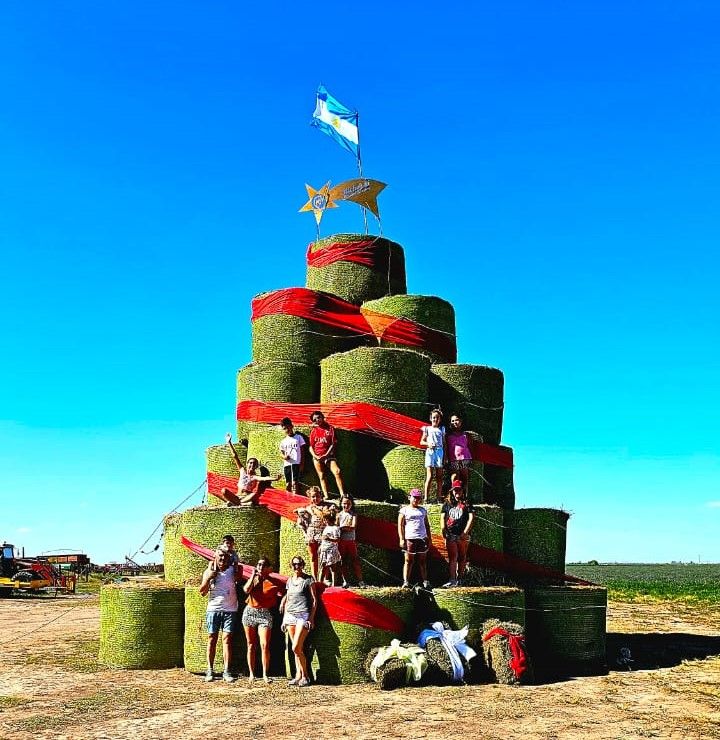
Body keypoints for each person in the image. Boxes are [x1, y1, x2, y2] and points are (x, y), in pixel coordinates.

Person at [199, 547, 241, 682]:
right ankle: (210, 670)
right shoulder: (209, 572)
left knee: (227, 639)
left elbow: (239, 571)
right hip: (213, 609)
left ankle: (227, 671)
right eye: (220, 556)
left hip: (230, 610)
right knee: (212, 638)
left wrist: (235, 562)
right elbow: (202, 592)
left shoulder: (232, 571)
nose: (222, 559)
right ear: (215, 557)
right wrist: (209, 578)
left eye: (225, 556)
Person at [242, 556, 283, 684]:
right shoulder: (253, 579)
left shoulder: (273, 582)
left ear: (268, 568)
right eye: (258, 565)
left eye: (263, 565)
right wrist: (253, 576)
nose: (260, 567)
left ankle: (265, 674)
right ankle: (252, 674)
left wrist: (283, 601)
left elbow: (285, 591)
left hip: (264, 614)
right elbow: (245, 590)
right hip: (250, 612)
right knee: (251, 644)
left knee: (264, 644)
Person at [279, 555, 317, 687]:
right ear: (291, 565)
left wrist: (311, 618)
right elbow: (288, 597)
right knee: (296, 648)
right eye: (294, 564)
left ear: (303, 565)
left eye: (299, 564)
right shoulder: (289, 581)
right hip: (290, 615)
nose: (297, 566)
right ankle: (298, 675)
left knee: (296, 647)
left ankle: (305, 676)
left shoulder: (308, 580)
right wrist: (284, 619)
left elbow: (314, 600)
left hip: (303, 615)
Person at [217, 433, 280, 506]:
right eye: (250, 463)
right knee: (224, 491)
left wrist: (275, 479)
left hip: (247, 497)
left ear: (256, 467)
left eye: (254, 464)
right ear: (247, 464)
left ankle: (237, 504)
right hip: (237, 496)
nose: (252, 465)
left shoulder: (254, 477)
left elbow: (265, 478)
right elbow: (235, 456)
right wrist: (229, 442)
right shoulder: (242, 471)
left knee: (255, 494)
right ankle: (240, 503)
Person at [294, 486, 336, 580]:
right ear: (310, 497)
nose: (315, 499)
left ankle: (325, 578)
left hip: (323, 533)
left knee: (324, 557)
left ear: (321, 495)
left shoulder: (329, 506)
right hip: (311, 533)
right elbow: (301, 521)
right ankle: (314, 578)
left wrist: (316, 510)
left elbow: (326, 516)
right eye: (313, 496)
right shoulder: (308, 508)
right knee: (313, 557)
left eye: (317, 496)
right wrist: (300, 514)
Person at [440, 481, 475, 587]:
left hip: (462, 535)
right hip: (451, 534)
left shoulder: (467, 502)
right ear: (452, 491)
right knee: (453, 557)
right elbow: (443, 517)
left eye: (459, 490)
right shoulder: (447, 503)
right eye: (455, 490)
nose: (457, 492)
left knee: (462, 556)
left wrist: (465, 532)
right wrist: (443, 530)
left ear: (462, 491)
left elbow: (471, 518)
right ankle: (452, 579)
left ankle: (460, 579)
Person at [398, 488, 431, 589]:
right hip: (410, 538)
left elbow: (426, 524)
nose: (416, 500)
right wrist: (401, 538)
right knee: (408, 560)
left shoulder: (423, 510)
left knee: (423, 561)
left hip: (422, 538)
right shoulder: (404, 510)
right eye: (414, 498)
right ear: (409, 497)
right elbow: (400, 525)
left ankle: (425, 581)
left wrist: (429, 538)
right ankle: (406, 581)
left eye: (418, 498)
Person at [309, 410, 345, 499]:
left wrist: (326, 454)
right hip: (317, 455)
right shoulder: (314, 431)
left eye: (319, 417)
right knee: (321, 475)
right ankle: (326, 495)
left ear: (322, 417)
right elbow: (310, 446)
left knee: (337, 471)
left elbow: (333, 443)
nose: (317, 420)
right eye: (315, 419)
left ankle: (342, 494)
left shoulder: (330, 428)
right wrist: (315, 456)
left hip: (328, 455)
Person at [338, 494, 366, 588]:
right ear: (341, 503)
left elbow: (353, 527)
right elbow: (336, 527)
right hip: (341, 541)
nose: (346, 505)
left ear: (351, 504)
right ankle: (345, 581)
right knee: (343, 561)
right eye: (344, 503)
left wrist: (343, 528)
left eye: (348, 503)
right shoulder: (338, 515)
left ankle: (360, 581)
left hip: (351, 541)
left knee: (355, 560)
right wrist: (345, 528)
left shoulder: (353, 514)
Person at [446, 413, 477, 497]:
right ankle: (454, 495)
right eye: (452, 421)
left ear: (461, 421)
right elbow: (446, 447)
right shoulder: (448, 436)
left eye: (456, 420)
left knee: (465, 477)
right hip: (454, 459)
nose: (455, 422)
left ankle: (465, 496)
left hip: (465, 458)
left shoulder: (466, 435)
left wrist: (472, 458)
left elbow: (470, 446)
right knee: (455, 477)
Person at [420, 408, 447, 504]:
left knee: (439, 476)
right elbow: (421, 441)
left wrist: (445, 456)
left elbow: (444, 443)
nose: (435, 419)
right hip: (430, 452)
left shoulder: (442, 429)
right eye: (434, 417)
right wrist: (428, 444)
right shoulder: (427, 429)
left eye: (437, 418)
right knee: (430, 476)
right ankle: (426, 498)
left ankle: (439, 498)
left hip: (440, 452)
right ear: (430, 418)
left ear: (440, 419)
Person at [279, 417, 306, 494]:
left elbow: (302, 451)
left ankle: (295, 497)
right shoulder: (283, 441)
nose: (287, 430)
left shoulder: (298, 437)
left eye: (288, 427)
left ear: (292, 426)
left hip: (296, 463)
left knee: (295, 483)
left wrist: (302, 463)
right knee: (288, 484)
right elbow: (281, 453)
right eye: (284, 428)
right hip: (287, 464)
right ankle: (288, 498)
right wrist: (284, 457)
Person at [318, 509, 342, 586]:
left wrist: (329, 539)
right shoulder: (326, 527)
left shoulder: (335, 528)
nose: (324, 521)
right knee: (322, 566)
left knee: (333, 567)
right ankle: (319, 583)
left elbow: (337, 539)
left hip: (331, 550)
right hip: (324, 549)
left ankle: (334, 584)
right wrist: (321, 547)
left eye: (325, 519)